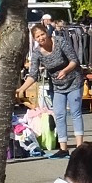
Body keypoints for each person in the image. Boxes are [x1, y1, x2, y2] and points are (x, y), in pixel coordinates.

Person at [16, 23, 83, 158]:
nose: (41, 38)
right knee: (59, 114)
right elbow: (33, 75)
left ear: (47, 32)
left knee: (75, 113)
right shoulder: (37, 53)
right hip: (57, 86)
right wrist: (21, 89)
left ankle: (80, 147)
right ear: (34, 39)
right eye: (37, 37)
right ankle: (63, 149)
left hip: (74, 80)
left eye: (42, 34)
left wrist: (65, 70)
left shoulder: (60, 41)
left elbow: (74, 60)